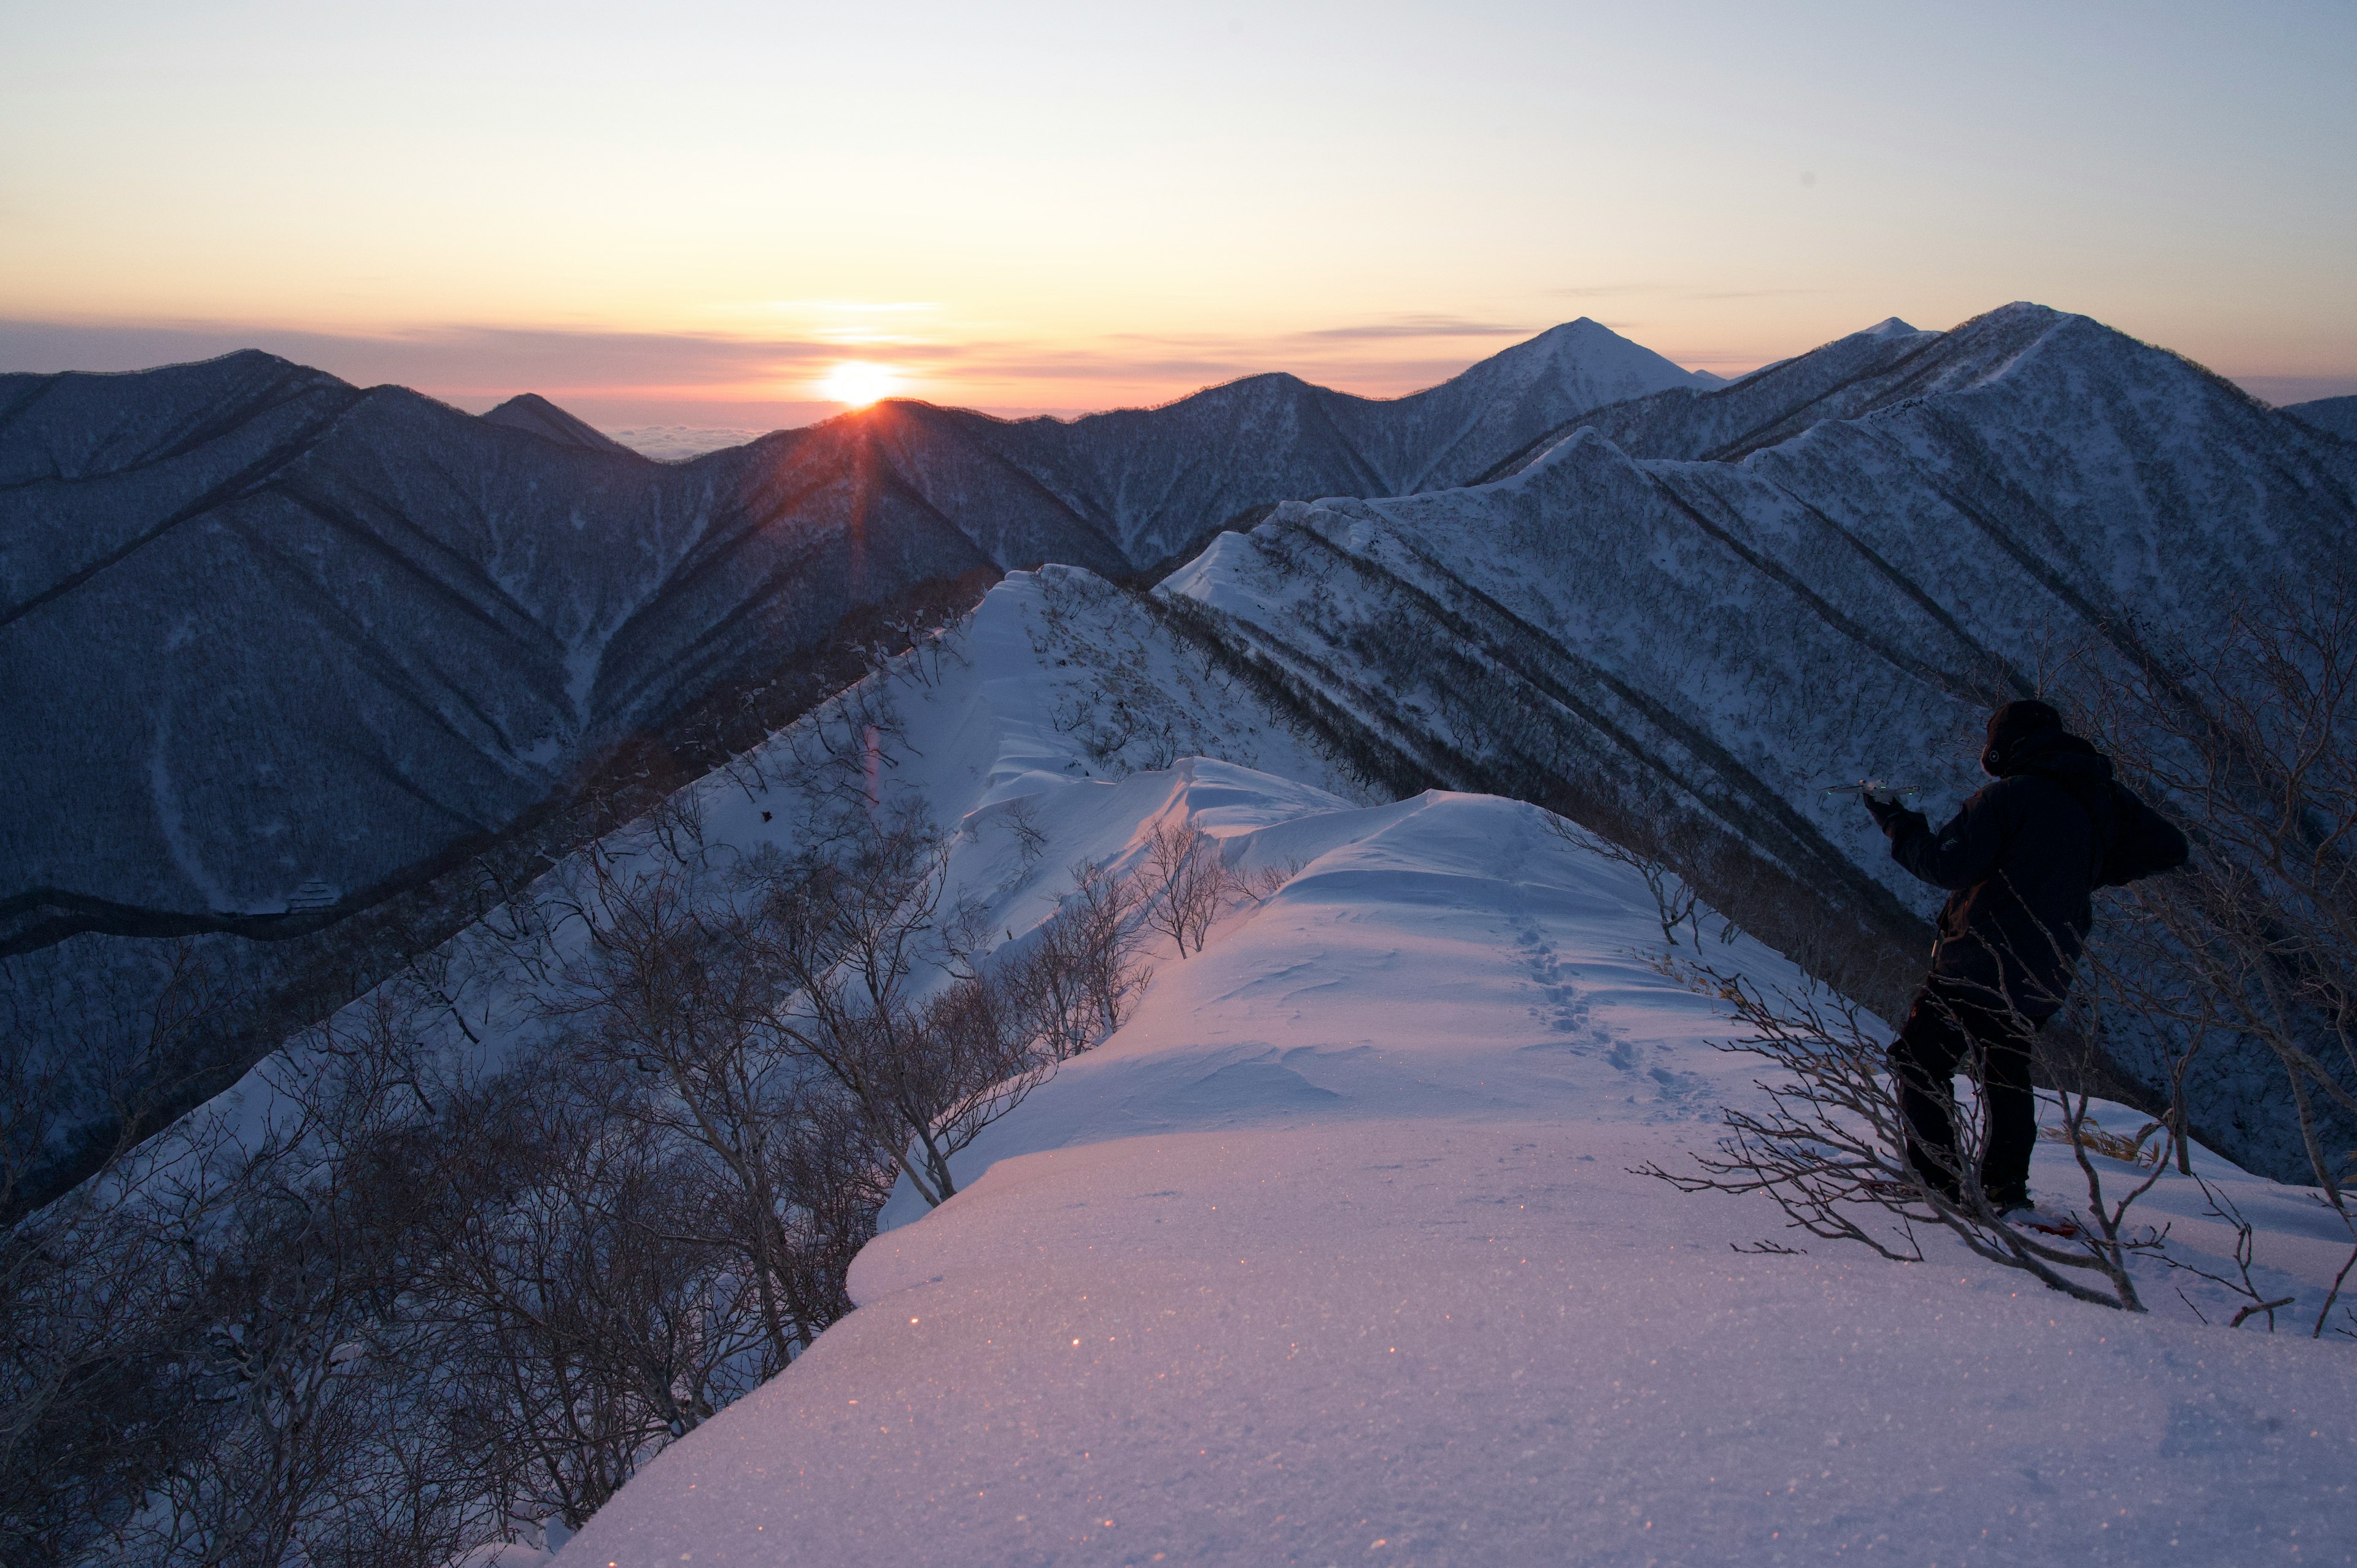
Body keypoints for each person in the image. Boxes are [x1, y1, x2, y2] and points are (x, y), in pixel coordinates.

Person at [1859, 700, 2119, 1221]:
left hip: (1978, 965)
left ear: (2002, 748)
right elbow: (2169, 847)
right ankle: (2006, 1192)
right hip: (2045, 974)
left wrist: (1896, 822)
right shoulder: (2092, 807)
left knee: (1920, 1060)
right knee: (2004, 1070)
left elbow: (1946, 864)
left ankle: (1938, 1183)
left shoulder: (2008, 798)